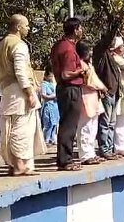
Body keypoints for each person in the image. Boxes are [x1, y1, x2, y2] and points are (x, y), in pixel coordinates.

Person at [0, 14, 46, 176]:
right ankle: (19, 165)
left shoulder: (3, 43)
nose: (28, 28)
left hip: (7, 90)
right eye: (26, 25)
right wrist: (29, 92)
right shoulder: (19, 45)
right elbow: (20, 71)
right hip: (19, 92)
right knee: (21, 129)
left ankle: (16, 164)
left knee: (10, 128)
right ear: (18, 27)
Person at [51, 17, 86, 171]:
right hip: (70, 88)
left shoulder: (61, 45)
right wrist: (81, 70)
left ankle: (64, 158)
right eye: (80, 27)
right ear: (75, 29)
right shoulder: (68, 49)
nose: (82, 30)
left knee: (66, 123)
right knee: (69, 125)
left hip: (65, 89)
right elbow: (66, 74)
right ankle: (66, 160)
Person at [76, 42, 106, 165]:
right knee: (85, 127)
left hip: (94, 98)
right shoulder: (80, 65)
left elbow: (95, 79)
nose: (91, 53)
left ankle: (91, 153)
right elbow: (88, 81)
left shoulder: (89, 65)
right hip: (86, 97)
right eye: (89, 51)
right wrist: (101, 87)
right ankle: (85, 155)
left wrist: (101, 87)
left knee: (93, 127)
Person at [94, 36, 122, 161]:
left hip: (115, 93)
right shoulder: (101, 54)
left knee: (112, 123)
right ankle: (104, 149)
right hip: (107, 93)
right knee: (105, 123)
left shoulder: (113, 57)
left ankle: (109, 149)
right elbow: (103, 44)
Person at [40, 71, 59, 145]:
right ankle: (46, 140)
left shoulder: (53, 84)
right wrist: (51, 96)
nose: (51, 78)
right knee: (48, 123)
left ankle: (53, 138)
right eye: (50, 76)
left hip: (55, 105)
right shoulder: (44, 84)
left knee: (54, 123)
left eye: (52, 76)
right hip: (48, 105)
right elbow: (43, 95)